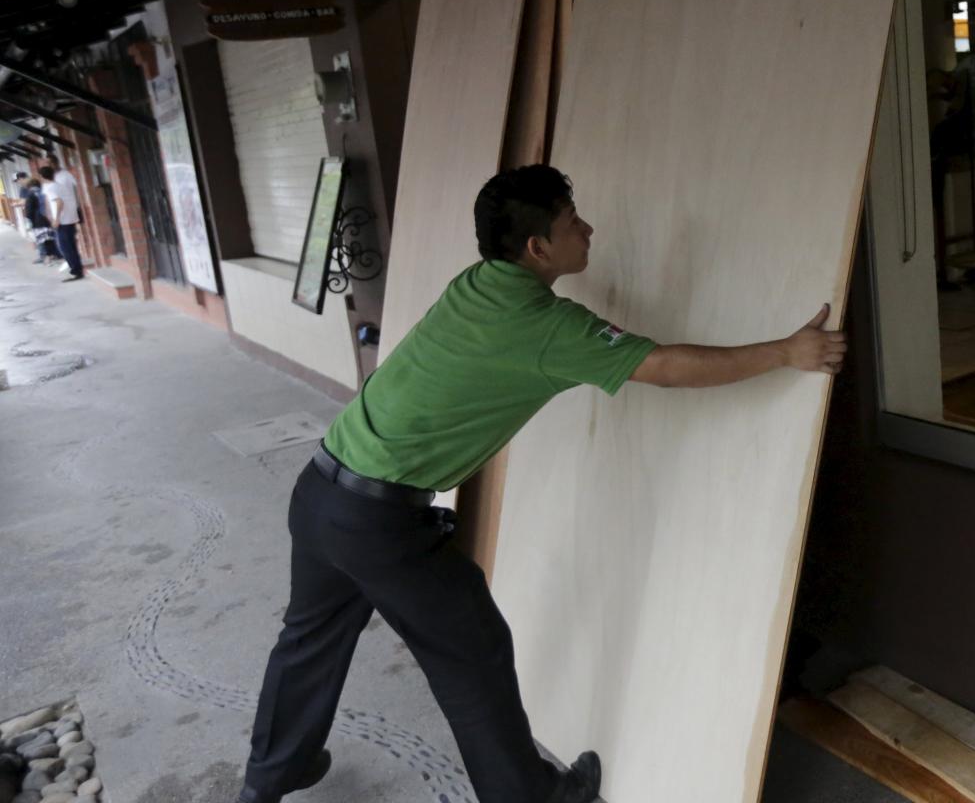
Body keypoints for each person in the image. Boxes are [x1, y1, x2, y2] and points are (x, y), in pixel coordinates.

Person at [236, 164, 846, 803]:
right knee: (473, 657)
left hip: (321, 489)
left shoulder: (477, 283)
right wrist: (784, 353)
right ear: (538, 248)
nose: (588, 229)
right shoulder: (546, 329)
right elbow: (662, 366)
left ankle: (270, 776)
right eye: (572, 221)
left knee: (308, 639)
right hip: (380, 525)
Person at [37, 164, 84, 281]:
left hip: (62, 221)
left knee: (65, 248)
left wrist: (56, 219)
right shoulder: (59, 186)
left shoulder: (50, 188)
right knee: (71, 246)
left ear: (42, 177)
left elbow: (59, 202)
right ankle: (77, 269)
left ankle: (75, 271)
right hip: (70, 218)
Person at [21, 177, 60, 264]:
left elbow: (29, 210)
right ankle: (54, 253)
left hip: (37, 220)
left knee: (41, 239)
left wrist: (29, 219)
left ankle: (45, 256)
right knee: (50, 237)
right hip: (48, 217)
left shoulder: (31, 194)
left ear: (29, 186)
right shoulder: (43, 191)